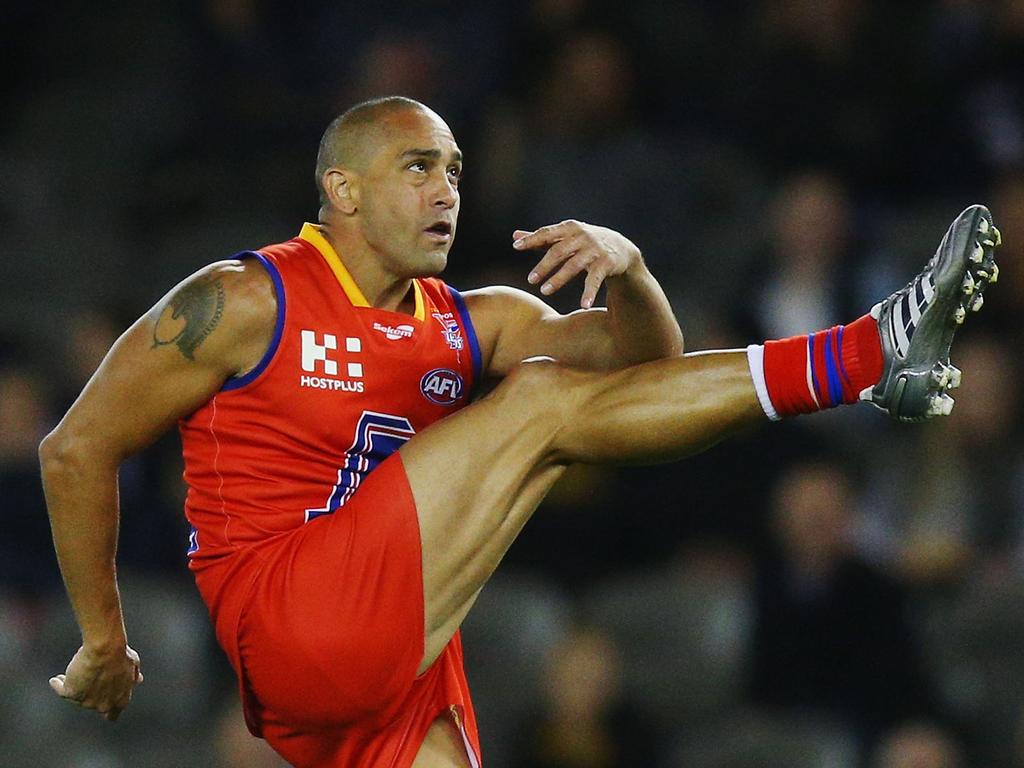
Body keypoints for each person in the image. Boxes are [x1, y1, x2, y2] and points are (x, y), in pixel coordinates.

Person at [38, 96, 1001, 768]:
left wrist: (628, 270)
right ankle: (867, 357)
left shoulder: (469, 317)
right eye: (418, 167)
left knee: (554, 398)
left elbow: (639, 365)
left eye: (455, 169)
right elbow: (75, 447)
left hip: (388, 653)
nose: (447, 190)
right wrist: (105, 642)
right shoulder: (245, 297)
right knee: (540, 405)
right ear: (342, 188)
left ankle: (874, 360)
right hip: (289, 618)